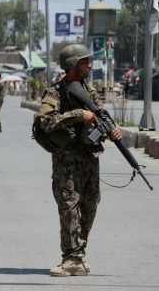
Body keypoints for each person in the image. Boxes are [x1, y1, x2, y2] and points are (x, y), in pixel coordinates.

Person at [35, 44, 122, 276]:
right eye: (85, 62)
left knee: (90, 205)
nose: (89, 65)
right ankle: (70, 257)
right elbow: (45, 122)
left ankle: (79, 253)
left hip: (90, 157)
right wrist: (77, 115)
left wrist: (111, 130)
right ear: (73, 65)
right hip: (68, 160)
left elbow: (100, 116)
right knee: (69, 206)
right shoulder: (55, 92)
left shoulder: (88, 90)